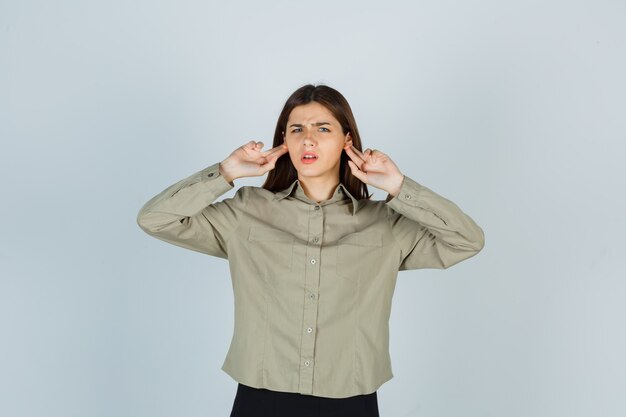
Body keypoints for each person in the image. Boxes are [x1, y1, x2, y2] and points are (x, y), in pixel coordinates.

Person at [136, 84, 485, 417]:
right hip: (261, 398)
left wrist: (398, 186)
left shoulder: (384, 224)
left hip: (350, 401)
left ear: (347, 140)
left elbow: (466, 240)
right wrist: (225, 173)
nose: (308, 139)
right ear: (284, 141)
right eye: (296, 129)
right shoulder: (246, 213)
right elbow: (155, 219)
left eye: (322, 128)